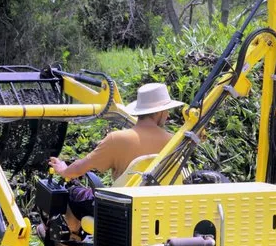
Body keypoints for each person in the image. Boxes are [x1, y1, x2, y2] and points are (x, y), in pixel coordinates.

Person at [47, 82, 184, 230]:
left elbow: (77, 170)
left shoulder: (117, 139)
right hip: (160, 210)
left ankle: (71, 245)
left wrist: (63, 169)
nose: (168, 114)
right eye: (167, 110)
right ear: (159, 112)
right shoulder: (174, 142)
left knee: (72, 194)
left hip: (120, 212)